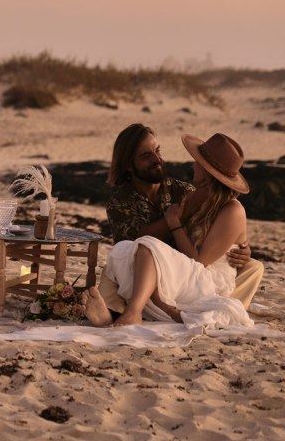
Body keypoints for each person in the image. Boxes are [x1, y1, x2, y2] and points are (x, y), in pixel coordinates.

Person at [85, 132, 256, 327]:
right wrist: (175, 221)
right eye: (146, 155)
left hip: (197, 274)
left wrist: (174, 223)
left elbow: (201, 260)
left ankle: (133, 311)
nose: (192, 165)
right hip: (162, 266)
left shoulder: (192, 194)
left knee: (148, 246)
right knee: (122, 250)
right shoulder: (120, 202)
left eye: (157, 151)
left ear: (208, 171)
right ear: (128, 165)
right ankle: (118, 311)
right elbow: (134, 241)